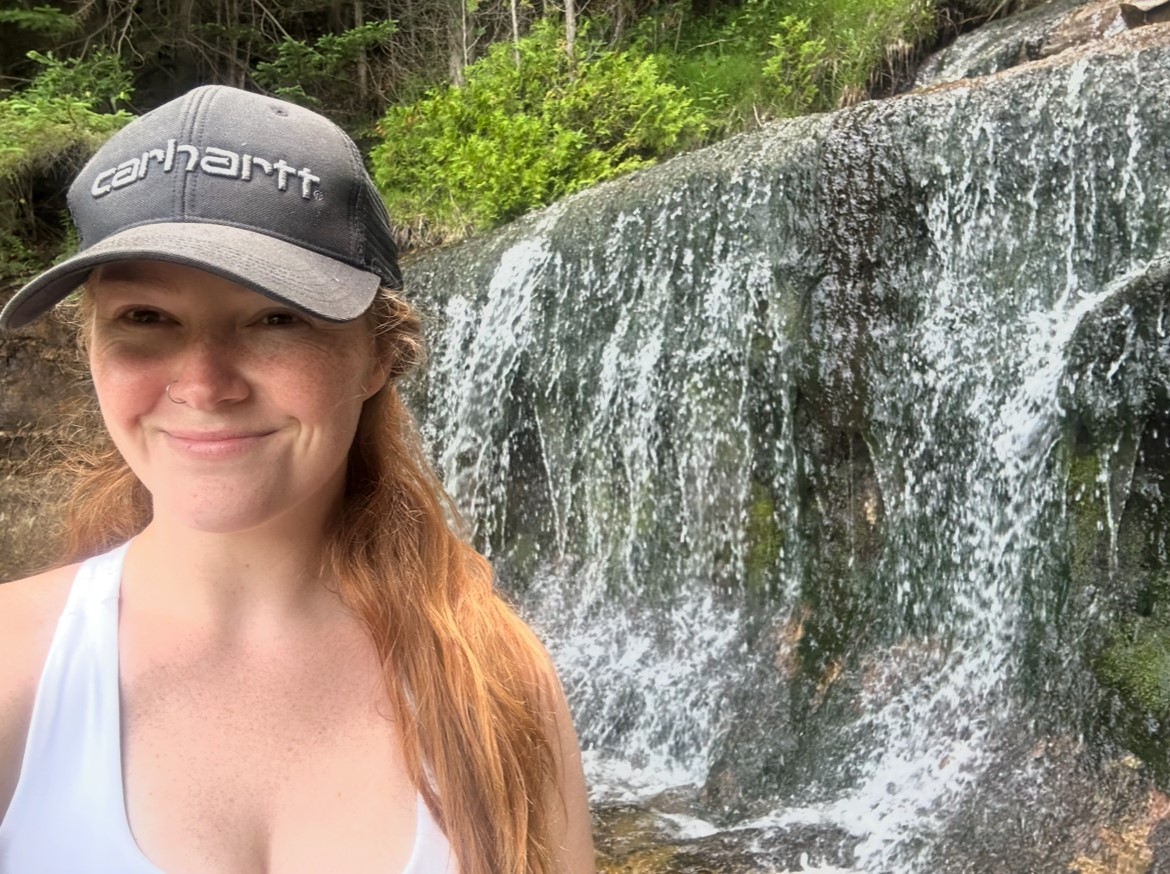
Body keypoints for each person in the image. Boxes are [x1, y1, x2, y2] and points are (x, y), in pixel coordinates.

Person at [0, 85, 595, 874]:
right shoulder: (12, 665)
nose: (205, 385)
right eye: (146, 319)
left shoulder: (497, 682)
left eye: (277, 317)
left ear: (378, 353)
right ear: (92, 348)